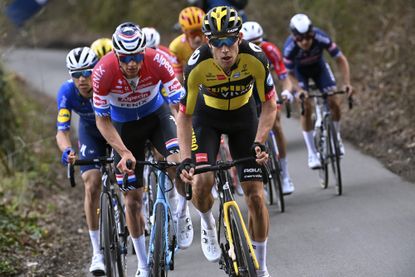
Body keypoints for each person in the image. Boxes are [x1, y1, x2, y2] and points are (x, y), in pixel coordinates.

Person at [176, 6, 276, 277]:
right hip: (207, 120)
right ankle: (208, 224)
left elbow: (269, 105)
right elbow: (183, 118)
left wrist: (260, 141)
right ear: (208, 41)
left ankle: (263, 267)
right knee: (202, 182)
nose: (225, 49)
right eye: (217, 42)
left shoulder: (256, 58)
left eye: (230, 40)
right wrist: (185, 157)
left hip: (244, 118)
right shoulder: (196, 65)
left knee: (255, 195)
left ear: (240, 37)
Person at [91, 22, 193, 277]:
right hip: (123, 128)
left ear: (143, 51)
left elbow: (179, 103)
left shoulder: (157, 60)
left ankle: (182, 211)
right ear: (116, 55)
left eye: (137, 56)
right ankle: (144, 265)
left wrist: (186, 140)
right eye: (126, 58)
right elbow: (102, 120)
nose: (133, 63)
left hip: (156, 117)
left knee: (177, 163)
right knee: (132, 200)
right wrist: (124, 152)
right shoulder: (102, 71)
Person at [55, 47, 107, 275]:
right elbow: (62, 131)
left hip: (115, 129)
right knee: (91, 183)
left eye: (87, 73)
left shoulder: (106, 84)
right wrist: (67, 150)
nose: (82, 79)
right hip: (89, 133)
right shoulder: (67, 91)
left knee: (129, 179)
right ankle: (97, 253)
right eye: (76, 74)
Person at [283, 14, 354, 169]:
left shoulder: (321, 37)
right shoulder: (289, 48)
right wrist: (300, 90)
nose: (304, 42)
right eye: (299, 39)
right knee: (305, 107)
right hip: (299, 73)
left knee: (333, 101)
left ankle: (337, 138)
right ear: (294, 37)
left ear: (312, 33)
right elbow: (288, 74)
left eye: (308, 37)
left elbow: (341, 59)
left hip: (319, 69)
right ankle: (312, 153)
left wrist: (347, 83)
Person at [241, 21, 295, 194]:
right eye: (251, 44)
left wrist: (287, 91)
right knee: (249, 132)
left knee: (277, 124)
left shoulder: (270, 50)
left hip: (265, 90)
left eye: (258, 43)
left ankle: (285, 174)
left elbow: (283, 76)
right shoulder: (238, 55)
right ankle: (256, 177)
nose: (255, 47)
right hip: (247, 94)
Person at [169, 6, 206, 83]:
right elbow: (178, 77)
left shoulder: (211, 40)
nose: (197, 38)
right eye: (192, 33)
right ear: (185, 32)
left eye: (200, 31)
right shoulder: (176, 47)